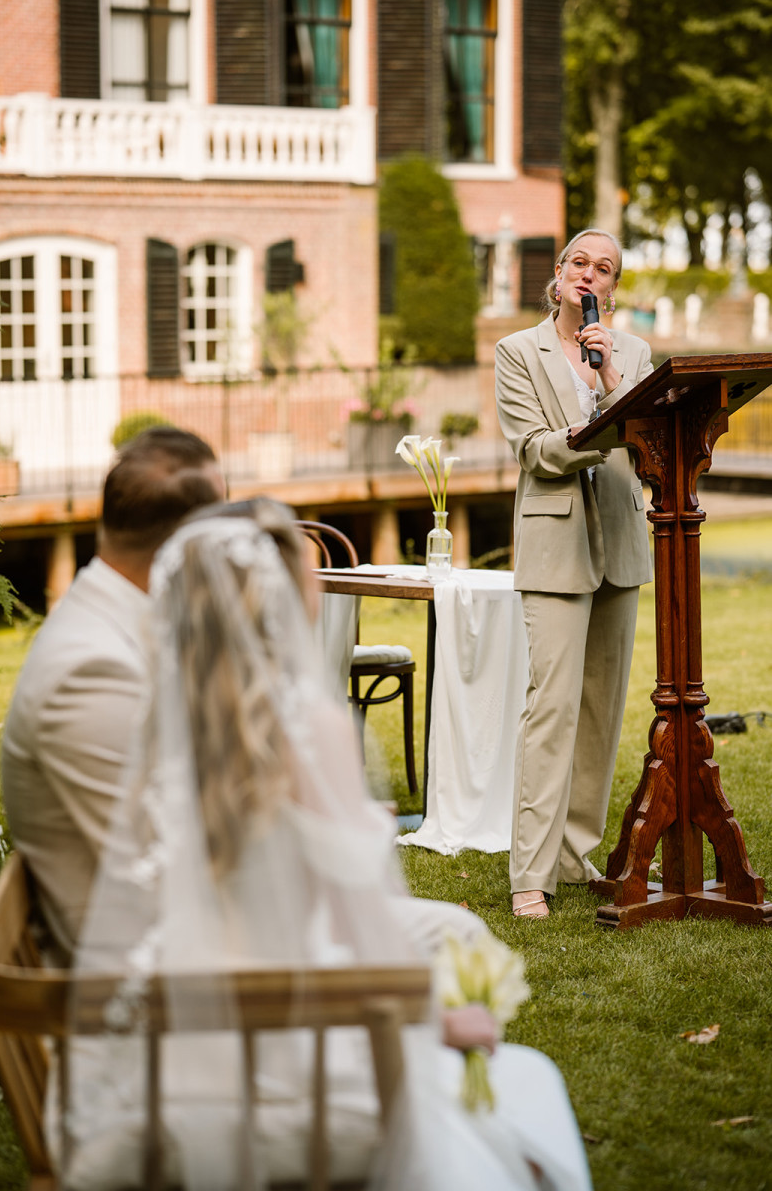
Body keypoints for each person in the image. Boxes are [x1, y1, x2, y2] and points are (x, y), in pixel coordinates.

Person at [59, 505, 593, 1191]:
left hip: (173, 1060)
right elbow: (362, 939)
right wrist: (439, 1020)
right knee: (531, 1086)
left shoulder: (152, 725)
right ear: (282, 600)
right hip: (299, 1071)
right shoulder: (310, 731)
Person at [0, 426, 226, 962]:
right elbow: (159, 883)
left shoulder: (121, 625)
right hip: (140, 987)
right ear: (191, 547)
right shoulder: (90, 671)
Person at [495, 229, 653, 919]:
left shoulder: (635, 354)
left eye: (605, 269)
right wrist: (597, 432)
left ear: (612, 289)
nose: (591, 276)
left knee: (600, 712)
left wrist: (609, 378)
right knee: (551, 708)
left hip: (620, 540)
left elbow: (649, 439)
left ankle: (572, 851)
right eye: (580, 264)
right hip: (555, 548)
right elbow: (533, 451)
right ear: (558, 277)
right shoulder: (515, 353)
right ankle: (530, 871)